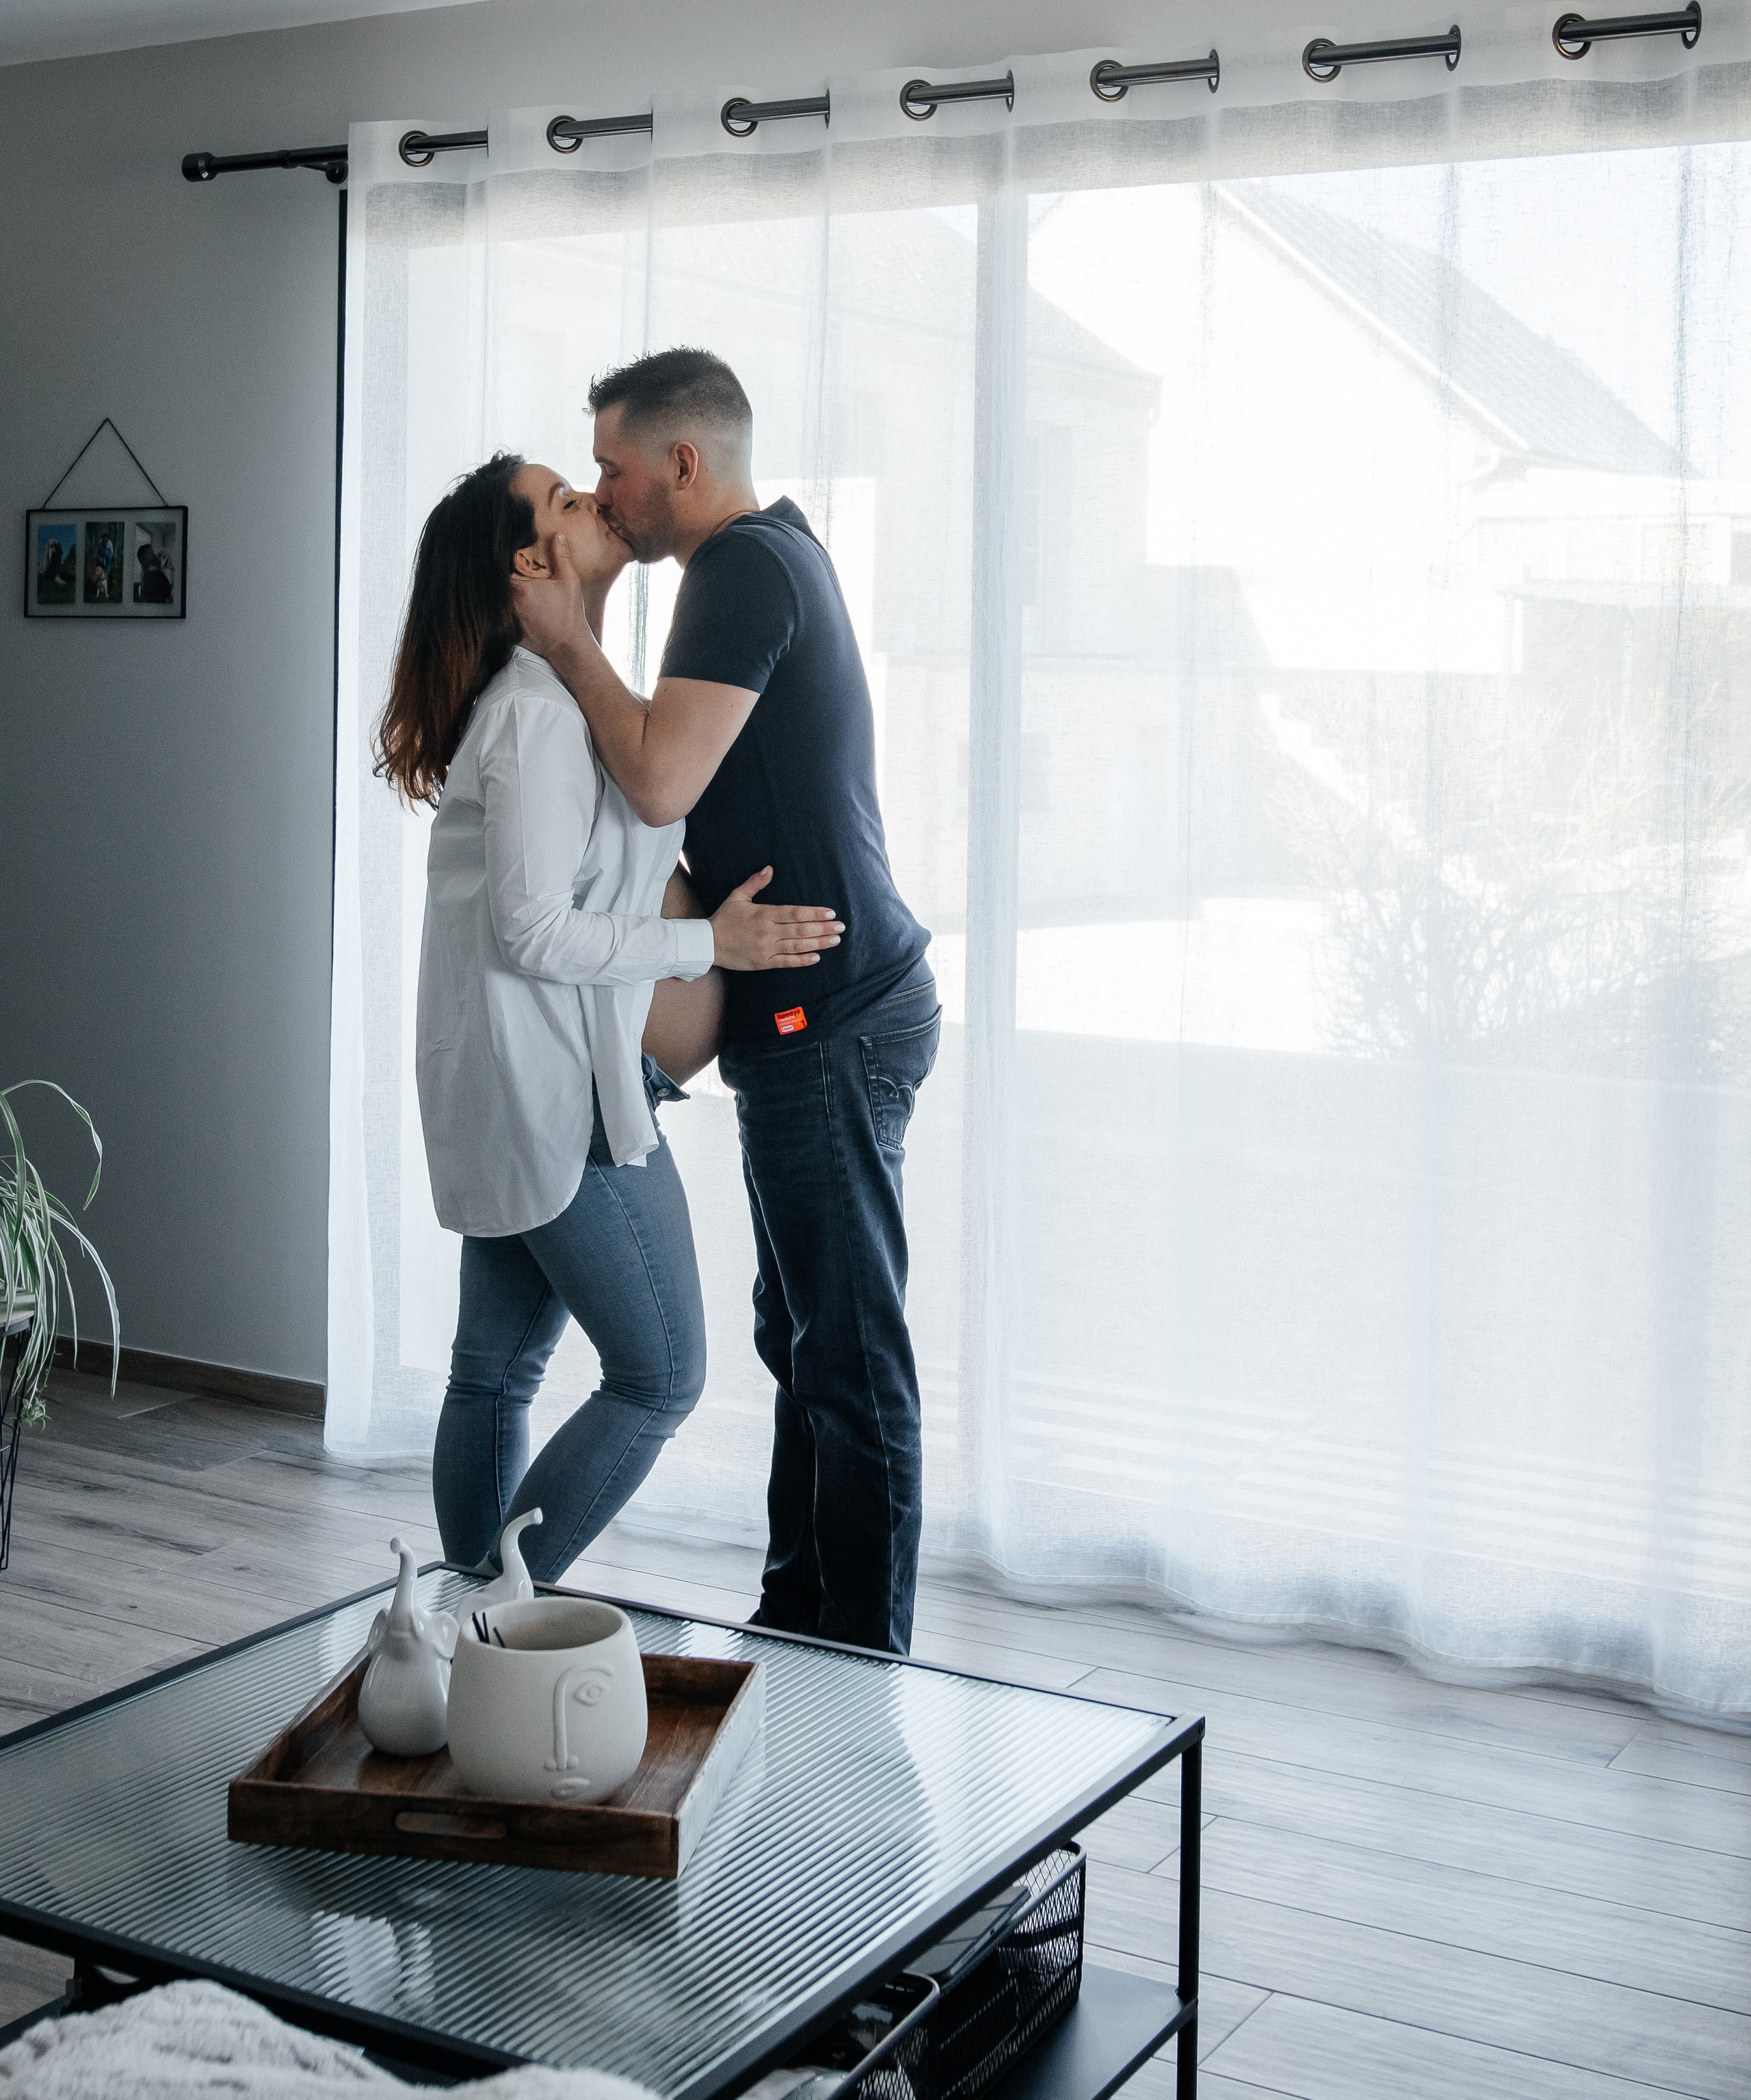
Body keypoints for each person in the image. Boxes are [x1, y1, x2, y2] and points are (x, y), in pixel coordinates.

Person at [513, 349, 940, 1655]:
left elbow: (657, 781)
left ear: (681, 465)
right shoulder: (779, 549)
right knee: (805, 1338)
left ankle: (856, 1668)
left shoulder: (742, 567)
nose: (604, 494)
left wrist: (570, 645)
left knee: (848, 1358)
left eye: (612, 469)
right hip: (824, 1014)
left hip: (835, 1018)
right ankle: (797, 1626)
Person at [376, 451, 843, 1586]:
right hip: (563, 1104)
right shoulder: (536, 715)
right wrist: (710, 946)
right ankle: (488, 1616)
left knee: (493, 1371)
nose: (595, 500)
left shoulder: (564, 696)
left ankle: (466, 1649)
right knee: (662, 1373)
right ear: (535, 561)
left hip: (537, 1087)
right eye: (565, 500)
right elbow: (535, 930)